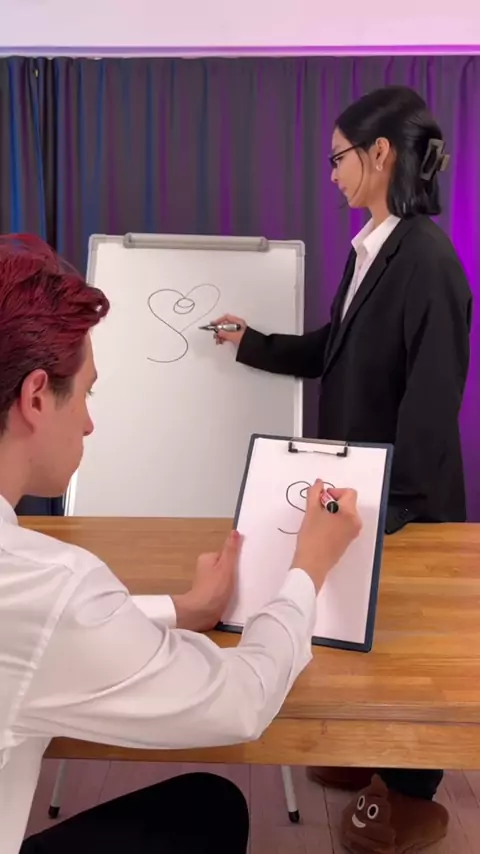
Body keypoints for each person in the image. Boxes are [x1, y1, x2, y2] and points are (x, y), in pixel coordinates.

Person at [0, 234, 362, 854]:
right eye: (87, 393)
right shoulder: (45, 583)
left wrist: (179, 609)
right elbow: (241, 701)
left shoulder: (35, 592)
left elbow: (36, 634)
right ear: (36, 397)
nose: (89, 421)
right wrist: (308, 567)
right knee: (211, 808)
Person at [211, 85, 473, 854]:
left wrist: (392, 507)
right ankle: (370, 755)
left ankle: (411, 791)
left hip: (401, 497)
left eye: (338, 158)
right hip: (359, 487)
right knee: (359, 626)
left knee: (402, 641)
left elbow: (434, 400)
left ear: (379, 154)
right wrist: (253, 343)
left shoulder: (427, 259)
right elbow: (335, 346)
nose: (330, 174)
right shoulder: (374, 250)